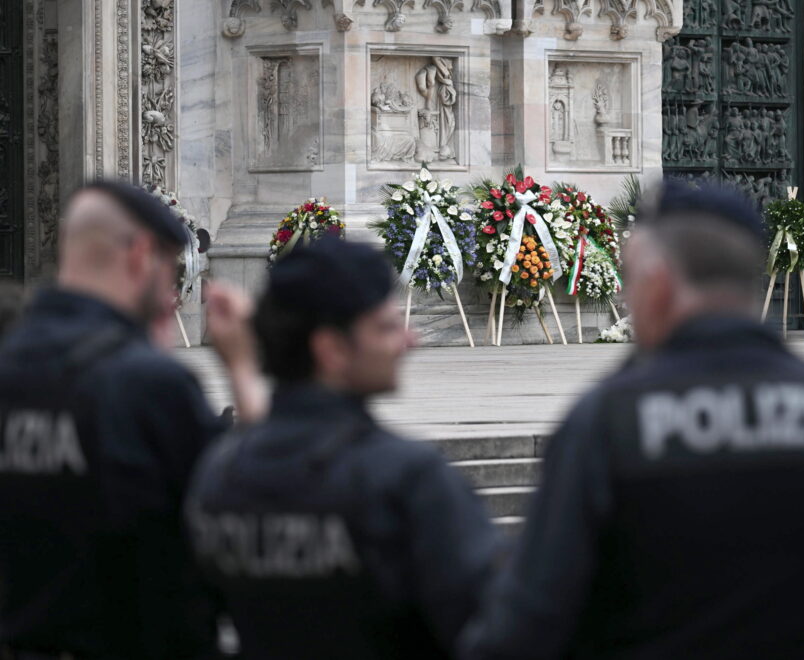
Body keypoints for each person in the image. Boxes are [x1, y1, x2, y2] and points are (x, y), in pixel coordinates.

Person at [458, 180, 804, 659]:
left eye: (631, 281)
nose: (626, 300)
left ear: (659, 285)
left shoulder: (609, 424)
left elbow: (524, 628)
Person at [185, 236, 499, 660]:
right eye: (387, 327)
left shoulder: (218, 475)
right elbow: (492, 628)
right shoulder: (405, 478)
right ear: (331, 349)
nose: (411, 340)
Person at [0, 181, 264, 660]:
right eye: (172, 271)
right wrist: (243, 369)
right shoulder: (147, 386)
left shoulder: (9, 364)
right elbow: (250, 527)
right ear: (142, 256)